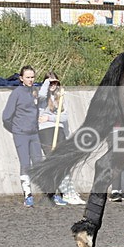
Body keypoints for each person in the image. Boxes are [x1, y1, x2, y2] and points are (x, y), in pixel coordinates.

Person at [37, 72, 86, 206]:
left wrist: (50, 117)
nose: (53, 85)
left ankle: (68, 192)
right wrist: (47, 81)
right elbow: (41, 94)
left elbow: (64, 117)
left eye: (55, 83)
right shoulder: (42, 97)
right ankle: (57, 193)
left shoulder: (59, 97)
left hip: (58, 130)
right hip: (46, 131)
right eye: (51, 83)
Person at [2, 65, 43, 207]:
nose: (31, 80)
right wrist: (16, 129)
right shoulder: (16, 93)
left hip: (34, 133)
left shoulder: (35, 91)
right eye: (28, 77)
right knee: (25, 163)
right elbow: (6, 116)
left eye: (32, 77)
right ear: (21, 78)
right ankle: (27, 194)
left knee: (38, 161)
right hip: (21, 134)